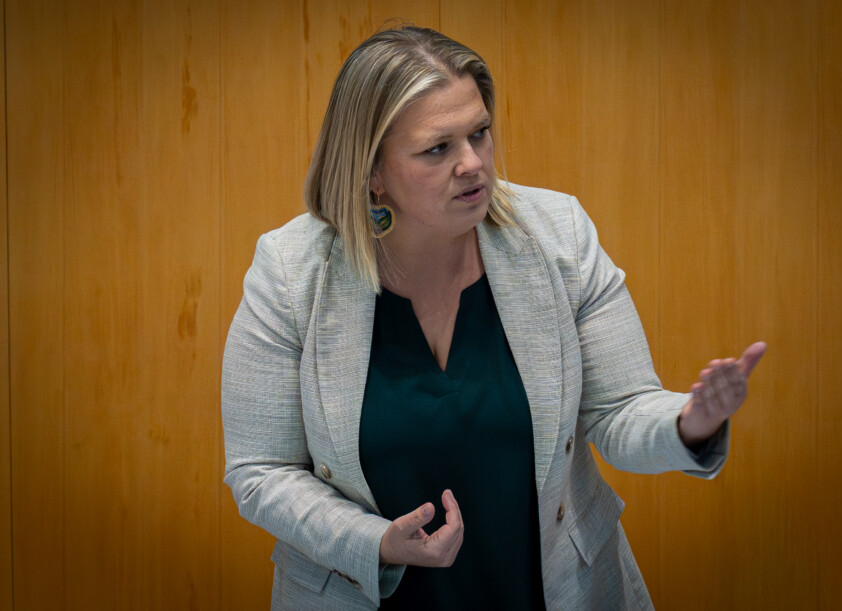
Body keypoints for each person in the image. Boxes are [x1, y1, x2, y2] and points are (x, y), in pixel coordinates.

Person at [221, 25, 766, 610]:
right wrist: (375, 541)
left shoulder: (558, 234)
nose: (473, 163)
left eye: (480, 133)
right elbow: (262, 471)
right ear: (371, 170)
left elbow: (621, 410)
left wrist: (688, 422)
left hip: (550, 589)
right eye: (439, 148)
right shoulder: (291, 271)